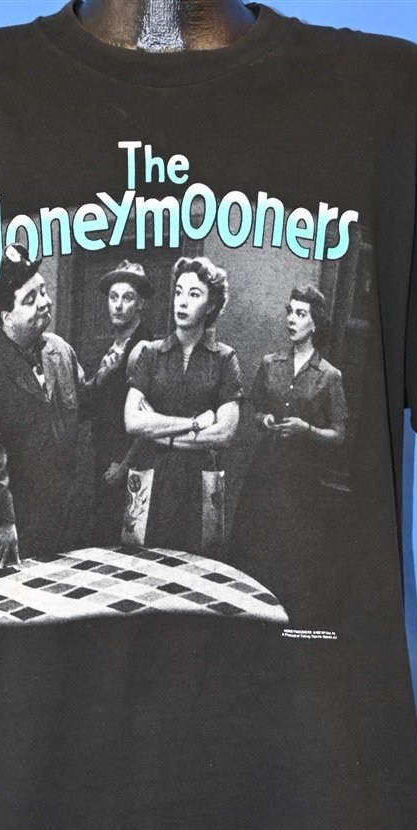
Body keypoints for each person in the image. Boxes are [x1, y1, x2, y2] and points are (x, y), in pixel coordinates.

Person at [0, 245, 93, 571]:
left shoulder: (61, 351)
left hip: (61, 523)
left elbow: (84, 405)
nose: (44, 302)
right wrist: (4, 522)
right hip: (10, 530)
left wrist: (112, 375)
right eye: (30, 299)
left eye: (43, 292)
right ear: (7, 317)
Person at [228, 285, 347, 616]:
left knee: (289, 555)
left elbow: (339, 434)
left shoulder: (330, 376)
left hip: (301, 480)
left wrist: (306, 429)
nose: (291, 319)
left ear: (315, 323)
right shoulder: (270, 364)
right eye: (289, 312)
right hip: (264, 472)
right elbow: (254, 409)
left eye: (300, 313)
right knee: (252, 545)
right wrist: (263, 418)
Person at [122, 255, 244, 555]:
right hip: (150, 473)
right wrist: (194, 424)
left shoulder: (225, 359)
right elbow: (132, 421)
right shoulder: (150, 354)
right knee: (141, 559)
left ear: (211, 305)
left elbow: (225, 433)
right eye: (178, 292)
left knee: (198, 563)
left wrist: (161, 433)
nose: (183, 301)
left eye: (194, 294)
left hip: (200, 478)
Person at [83, 260, 153, 545]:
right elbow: (87, 408)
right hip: (102, 461)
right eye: (113, 297)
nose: (119, 305)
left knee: (128, 545)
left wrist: (124, 466)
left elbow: (150, 420)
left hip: (130, 466)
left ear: (140, 304)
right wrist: (100, 379)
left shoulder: (146, 348)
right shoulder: (108, 347)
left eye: (127, 298)